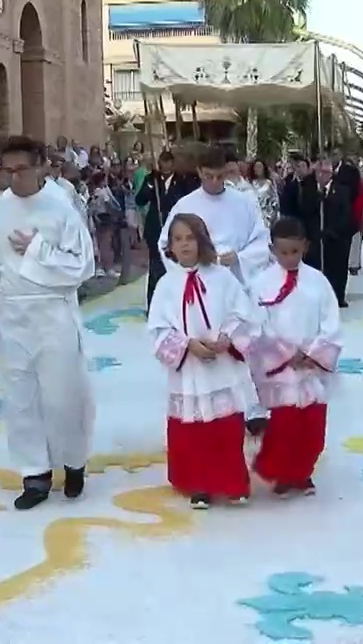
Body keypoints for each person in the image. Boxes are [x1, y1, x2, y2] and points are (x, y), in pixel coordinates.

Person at [0, 135, 96, 511]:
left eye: (22, 169)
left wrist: (36, 249)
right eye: (7, 170)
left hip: (53, 311)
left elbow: (81, 266)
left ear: (41, 166)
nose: (14, 178)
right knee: (20, 395)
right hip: (13, 313)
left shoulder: (61, 209)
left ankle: (73, 461)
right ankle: (34, 472)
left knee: (63, 394)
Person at [158, 143, 272, 435]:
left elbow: (261, 240)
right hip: (199, 288)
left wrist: (240, 258)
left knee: (241, 343)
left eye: (221, 176)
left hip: (234, 281)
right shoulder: (185, 206)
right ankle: (206, 407)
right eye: (208, 176)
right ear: (198, 172)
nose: (215, 182)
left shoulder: (244, 202)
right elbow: (166, 244)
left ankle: (253, 407)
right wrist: (185, 275)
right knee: (205, 346)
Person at [148, 214, 260, 509]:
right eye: (177, 239)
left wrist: (227, 338)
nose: (184, 244)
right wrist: (188, 345)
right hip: (189, 369)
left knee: (225, 427)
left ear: (201, 240)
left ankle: (232, 481)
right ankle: (199, 484)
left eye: (190, 237)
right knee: (192, 430)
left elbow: (243, 313)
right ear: (170, 246)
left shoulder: (222, 277)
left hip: (221, 365)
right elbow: (158, 329)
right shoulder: (165, 284)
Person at [250, 217, 341, 497]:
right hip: (282, 368)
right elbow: (257, 325)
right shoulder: (260, 284)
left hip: (312, 366)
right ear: (272, 250)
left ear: (305, 247)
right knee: (285, 426)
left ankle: (303, 472)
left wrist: (314, 352)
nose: (289, 258)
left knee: (312, 428)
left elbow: (331, 321)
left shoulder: (318, 282)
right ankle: (283, 473)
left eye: (295, 252)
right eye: (283, 252)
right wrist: (286, 354)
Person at [136, 150, 194, 310]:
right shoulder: (152, 179)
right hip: (156, 228)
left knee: (177, 265)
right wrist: (148, 188)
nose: (165, 165)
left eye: (169, 161)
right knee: (156, 266)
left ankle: (178, 304)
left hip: (177, 229)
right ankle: (154, 306)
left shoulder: (183, 181)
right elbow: (139, 200)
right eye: (163, 161)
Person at [303, 162, 356, 307]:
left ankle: (338, 296)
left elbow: (345, 214)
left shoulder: (342, 190)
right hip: (316, 237)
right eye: (318, 173)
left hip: (336, 237)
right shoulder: (309, 190)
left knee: (338, 268)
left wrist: (333, 231)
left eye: (325, 172)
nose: (321, 175)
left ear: (331, 174)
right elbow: (305, 211)